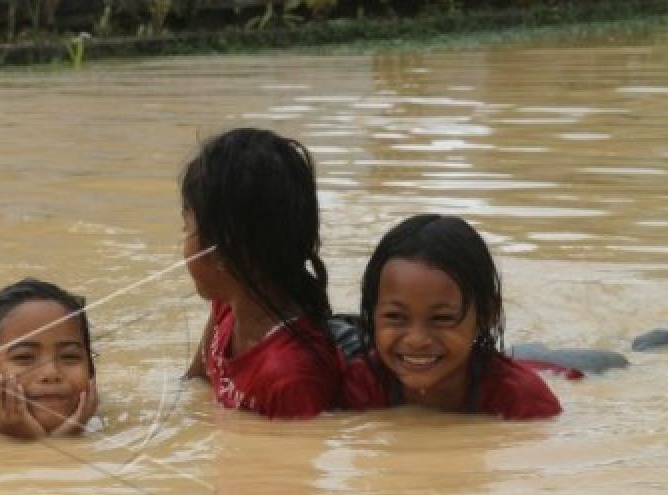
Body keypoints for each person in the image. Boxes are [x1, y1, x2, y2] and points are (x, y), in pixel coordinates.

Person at [181, 128, 341, 417]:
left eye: (187, 229)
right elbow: (194, 383)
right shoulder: (226, 307)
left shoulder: (291, 376)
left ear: (223, 252)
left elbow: (287, 460)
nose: (182, 243)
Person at [343, 214, 562, 419]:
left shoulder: (522, 398)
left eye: (442, 318)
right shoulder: (357, 385)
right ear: (372, 314)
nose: (416, 340)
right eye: (395, 316)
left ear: (486, 316)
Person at [0, 278, 98, 440]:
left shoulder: (101, 420)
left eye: (69, 356)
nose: (51, 373)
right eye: (24, 357)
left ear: (91, 373)